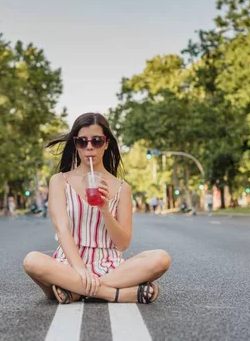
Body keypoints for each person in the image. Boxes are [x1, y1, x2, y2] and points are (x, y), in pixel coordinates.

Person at [23, 113, 171, 304]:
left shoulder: (122, 188)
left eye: (97, 141)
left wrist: (105, 210)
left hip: (110, 266)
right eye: (82, 142)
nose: (89, 147)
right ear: (75, 144)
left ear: (106, 143)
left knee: (161, 258)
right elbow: (62, 230)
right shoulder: (59, 181)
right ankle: (114, 294)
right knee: (32, 261)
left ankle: (75, 291)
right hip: (69, 265)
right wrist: (81, 270)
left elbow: (122, 244)